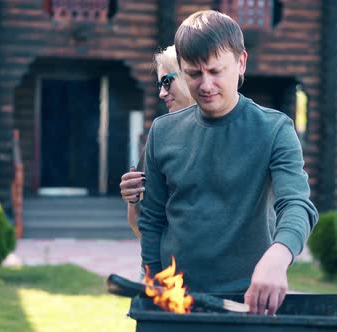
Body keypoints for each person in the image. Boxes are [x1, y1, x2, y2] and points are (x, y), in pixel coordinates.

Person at [137, 10, 319, 315]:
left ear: (241, 62)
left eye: (215, 71)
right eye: (194, 74)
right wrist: (154, 281)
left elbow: (298, 205)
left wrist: (279, 254)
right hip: (176, 299)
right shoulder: (162, 132)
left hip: (248, 301)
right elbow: (152, 219)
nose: (206, 85)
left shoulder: (275, 129)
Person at [119, 46, 195, 238]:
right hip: (172, 263)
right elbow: (142, 225)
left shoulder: (231, 130)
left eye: (167, 82)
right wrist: (133, 200)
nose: (162, 93)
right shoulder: (161, 135)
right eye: (159, 84)